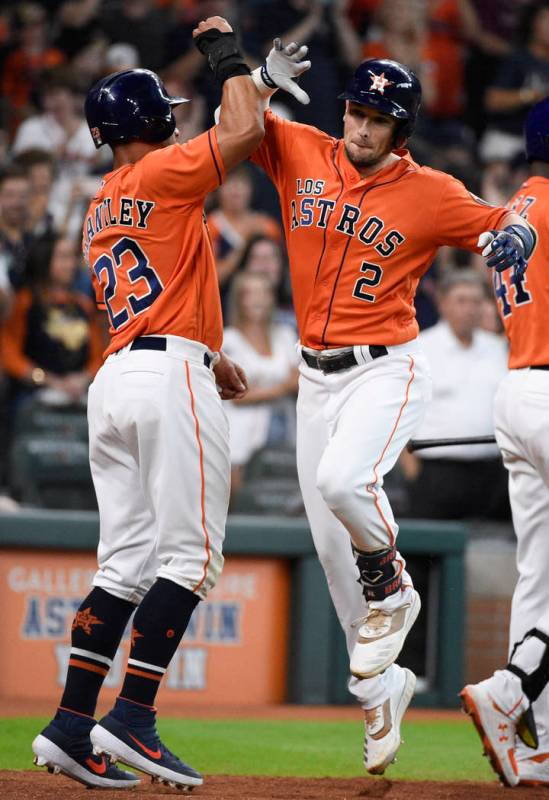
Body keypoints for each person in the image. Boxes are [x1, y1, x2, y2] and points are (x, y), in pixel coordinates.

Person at [31, 17, 310, 791]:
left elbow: (153, 288)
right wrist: (229, 56)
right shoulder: (160, 173)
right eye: (163, 114)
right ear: (146, 123)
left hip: (119, 377)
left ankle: (69, 722)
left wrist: (208, 351)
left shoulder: (97, 205)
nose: (171, 121)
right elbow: (246, 129)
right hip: (165, 377)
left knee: (122, 565)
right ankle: (133, 717)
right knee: (191, 558)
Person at [248, 56, 536, 774]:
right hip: (313, 378)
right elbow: (234, 126)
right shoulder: (300, 148)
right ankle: (380, 686)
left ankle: (396, 585)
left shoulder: (430, 190)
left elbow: (502, 224)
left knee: (346, 483)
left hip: (387, 366)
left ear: (400, 129)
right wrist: (248, 75)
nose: (362, 126)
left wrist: (514, 236)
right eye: (355, 112)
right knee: (329, 551)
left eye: (378, 119)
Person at [461, 97, 549, 788]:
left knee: (539, 574)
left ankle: (542, 741)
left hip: (515, 386)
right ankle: (511, 688)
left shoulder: (515, 204)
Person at [401, 270, 509, 520]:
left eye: (476, 301)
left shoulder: (498, 348)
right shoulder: (420, 348)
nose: (470, 309)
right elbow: (399, 412)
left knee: (491, 551)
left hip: (492, 470)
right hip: (435, 471)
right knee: (431, 551)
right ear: (443, 303)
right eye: (461, 300)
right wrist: (410, 469)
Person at [1, 235, 103, 412]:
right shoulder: (25, 302)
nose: (71, 265)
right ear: (44, 259)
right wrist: (48, 380)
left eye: (72, 257)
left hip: (77, 395)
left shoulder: (83, 305)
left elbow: (98, 356)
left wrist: (82, 378)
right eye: (63, 257)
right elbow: (8, 353)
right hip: (33, 395)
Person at [223, 271, 299, 499]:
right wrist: (282, 388)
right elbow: (237, 395)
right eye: (250, 293)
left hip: (286, 429)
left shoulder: (284, 335)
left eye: (263, 292)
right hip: (241, 435)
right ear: (239, 299)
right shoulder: (228, 339)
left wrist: (262, 390)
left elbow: (299, 380)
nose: (257, 299)